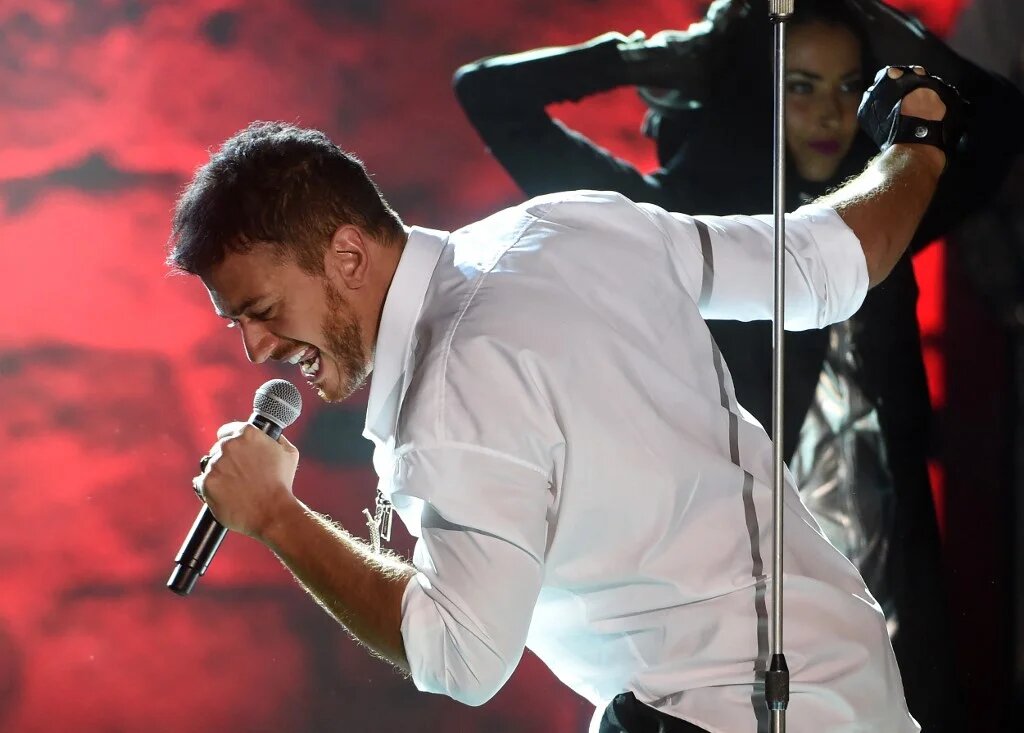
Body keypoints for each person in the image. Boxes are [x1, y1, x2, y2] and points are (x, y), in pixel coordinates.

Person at [169, 65, 952, 732]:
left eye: (263, 311)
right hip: (854, 686)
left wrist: (276, 515)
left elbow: (461, 655)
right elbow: (823, 266)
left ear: (346, 253)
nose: (256, 350)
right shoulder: (574, 224)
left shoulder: (450, 391)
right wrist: (919, 141)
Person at [452, 1, 1024, 728]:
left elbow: (1001, 116)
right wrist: (652, 59)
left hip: (886, 575)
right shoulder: (685, 226)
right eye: (801, 85)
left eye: (851, 86)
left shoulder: (883, 213)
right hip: (738, 599)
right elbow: (488, 94)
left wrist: (869, 26)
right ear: (756, 85)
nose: (830, 113)